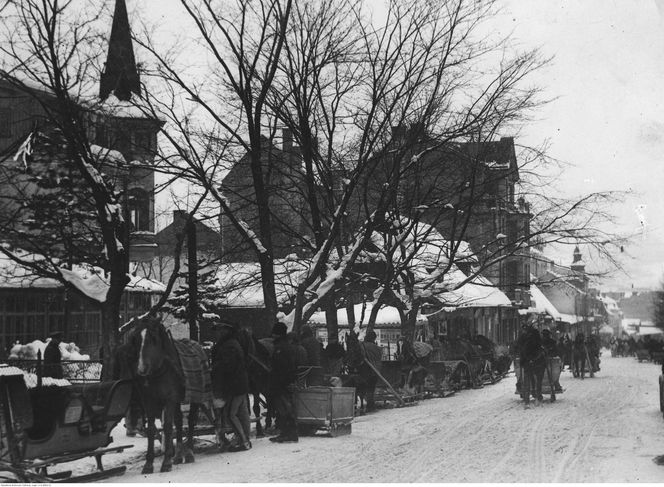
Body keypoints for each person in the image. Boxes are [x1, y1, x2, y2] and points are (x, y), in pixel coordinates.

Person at [210, 323, 252, 452]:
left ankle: (243, 442)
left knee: (230, 414)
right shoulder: (232, 343)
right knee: (241, 413)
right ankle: (245, 439)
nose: (216, 333)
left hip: (234, 386)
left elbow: (228, 367)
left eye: (218, 330)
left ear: (225, 331)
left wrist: (214, 369)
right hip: (239, 384)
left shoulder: (228, 346)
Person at [269, 322, 299, 443]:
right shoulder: (286, 346)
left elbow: (280, 367)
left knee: (283, 409)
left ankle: (287, 433)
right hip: (287, 381)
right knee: (287, 408)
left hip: (281, 383)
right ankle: (290, 432)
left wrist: (279, 382)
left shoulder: (280, 348)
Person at [362, 330, 383, 412]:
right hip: (376, 370)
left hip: (365, 369)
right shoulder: (377, 348)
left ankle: (368, 404)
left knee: (366, 388)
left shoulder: (363, 345)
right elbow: (379, 358)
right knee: (371, 388)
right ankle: (370, 405)